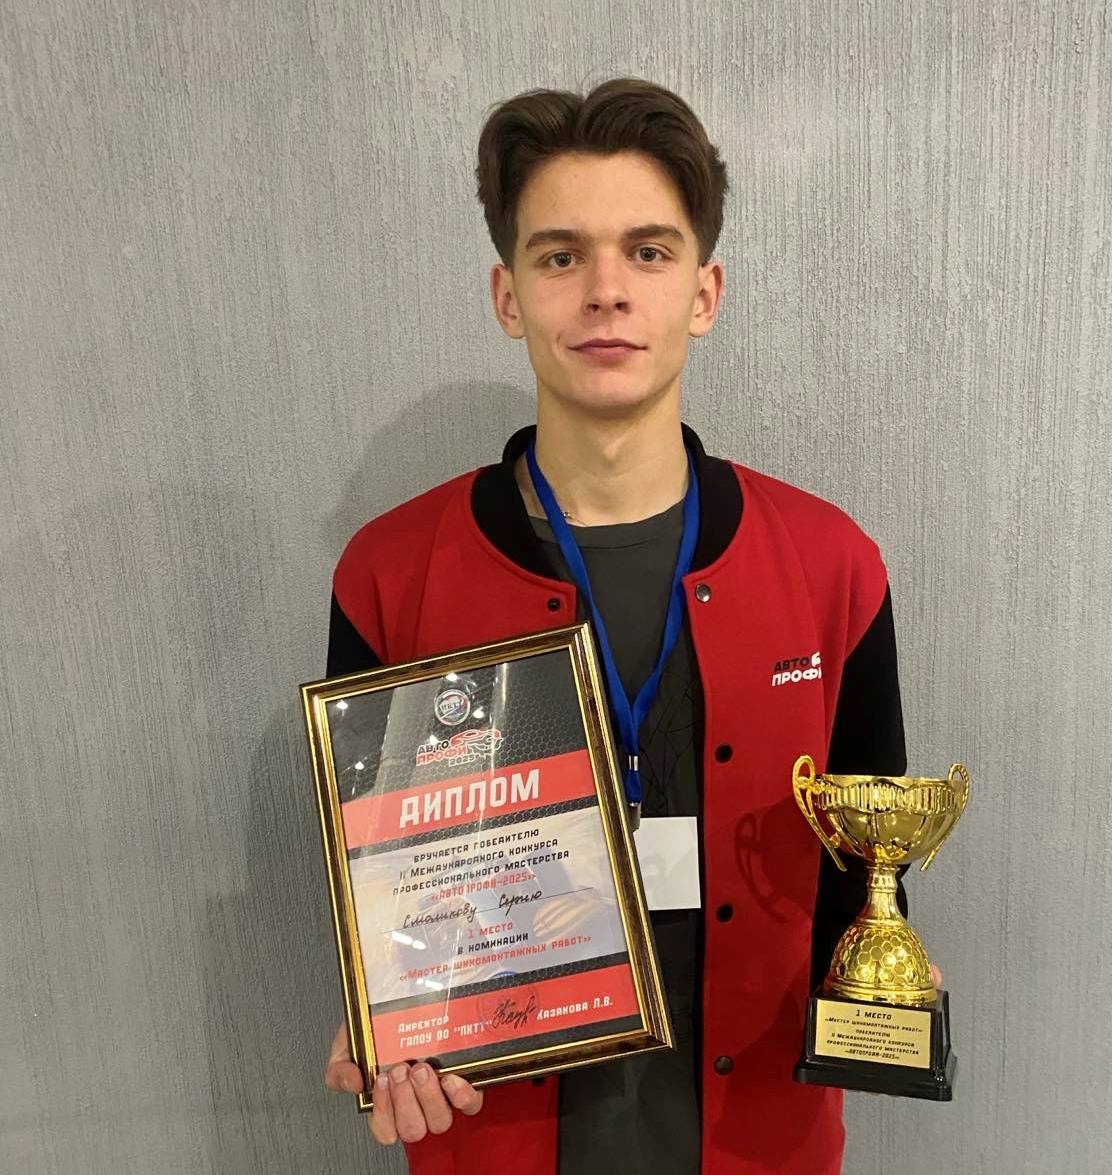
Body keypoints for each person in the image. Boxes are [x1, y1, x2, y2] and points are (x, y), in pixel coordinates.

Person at [322, 77, 912, 1175]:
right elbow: (390, 907)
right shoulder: (391, 577)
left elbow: (868, 880)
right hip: (491, 1139)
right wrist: (380, 1017)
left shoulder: (832, 566)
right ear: (508, 296)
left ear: (704, 291)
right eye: (561, 256)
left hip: (760, 1142)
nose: (605, 291)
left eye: (648, 251)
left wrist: (887, 1005)